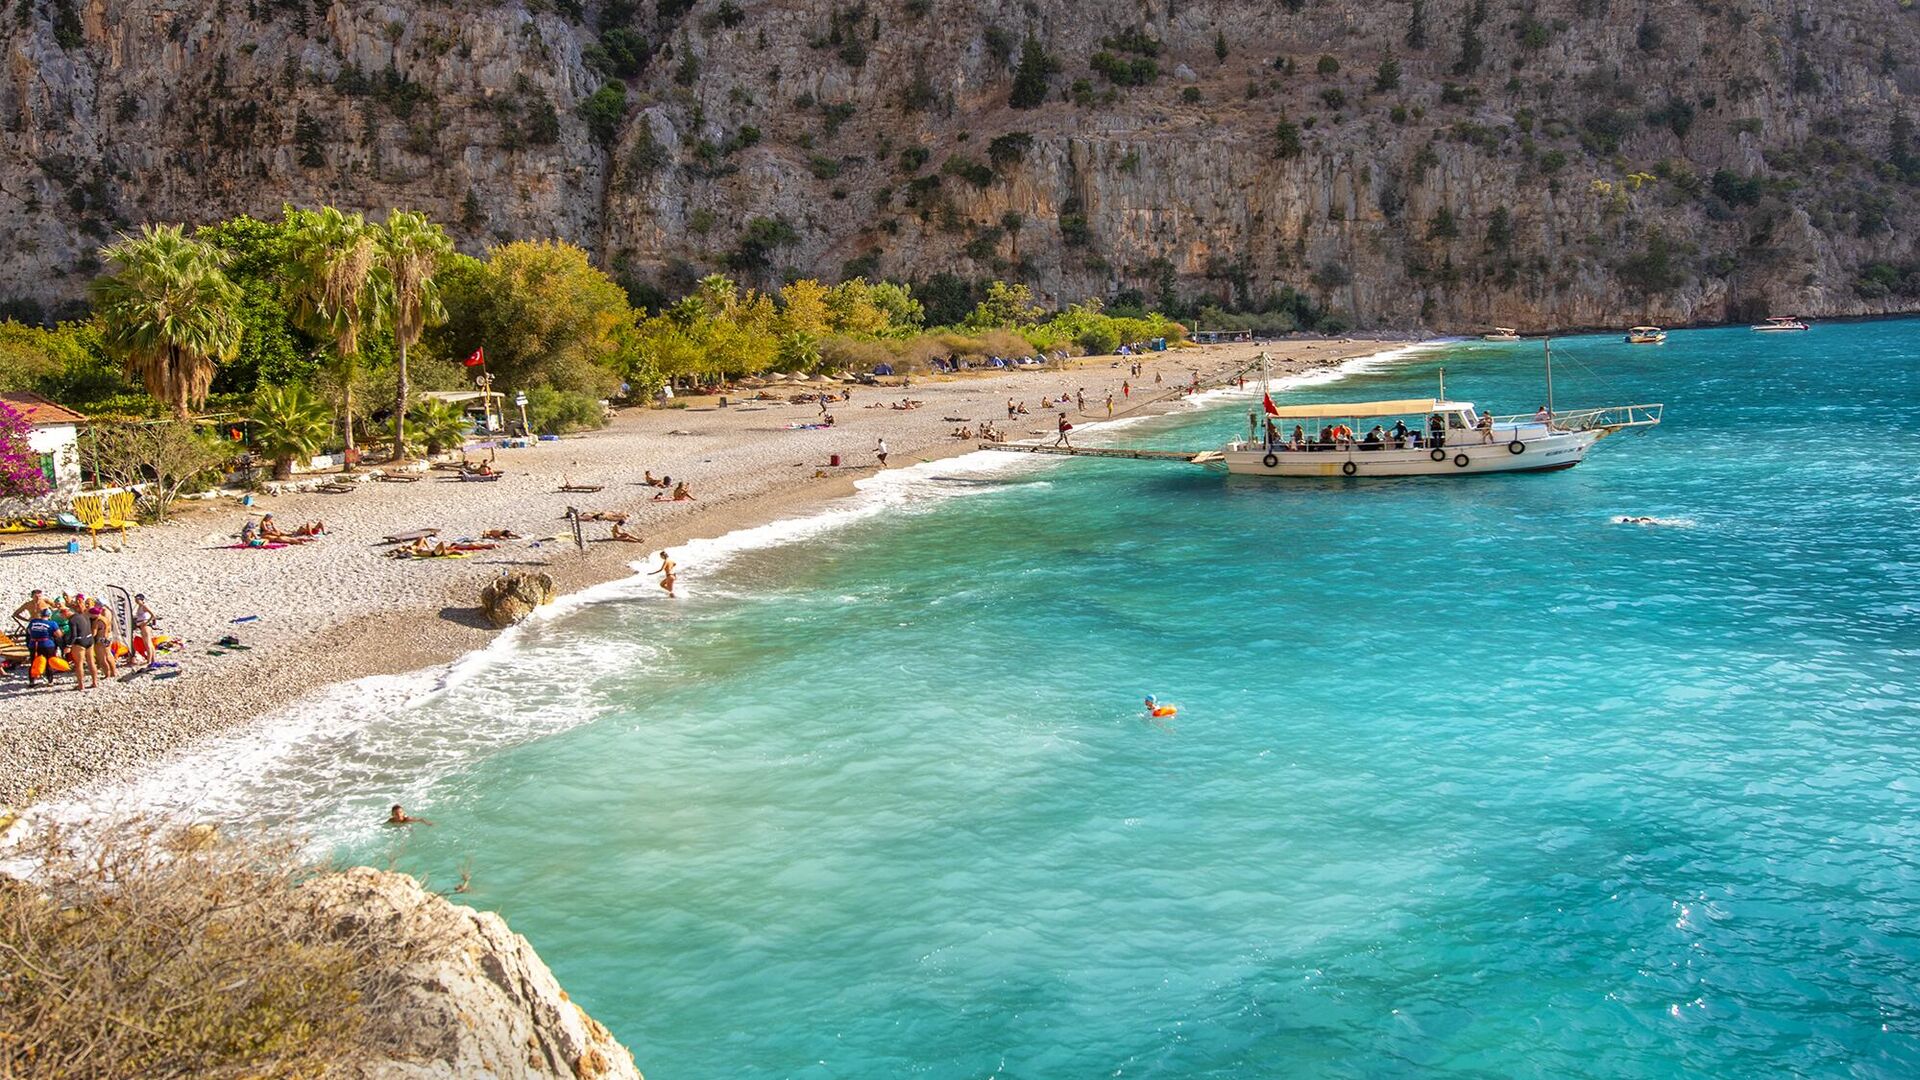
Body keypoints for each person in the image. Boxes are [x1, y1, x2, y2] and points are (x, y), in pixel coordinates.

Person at [63, 597, 98, 691]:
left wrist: (68, 646)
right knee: (91, 662)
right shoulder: (85, 615)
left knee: (79, 664)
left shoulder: (72, 620)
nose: (62, 617)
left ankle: (81, 685)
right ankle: (95, 682)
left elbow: (74, 635)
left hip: (80, 642)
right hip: (89, 639)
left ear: (67, 612)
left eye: (62, 614)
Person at [24, 611, 59, 687]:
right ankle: (50, 681)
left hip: (34, 644)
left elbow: (29, 631)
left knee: (33, 662)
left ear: (41, 614)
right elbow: (58, 634)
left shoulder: (33, 622)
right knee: (49, 662)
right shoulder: (52, 623)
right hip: (47, 644)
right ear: (49, 616)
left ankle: (31, 681)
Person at [89, 604, 116, 677]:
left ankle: (107, 674)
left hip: (100, 639)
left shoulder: (97, 621)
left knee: (102, 658)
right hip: (108, 638)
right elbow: (109, 629)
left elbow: (94, 633)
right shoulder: (105, 619)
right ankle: (114, 672)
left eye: (91, 614)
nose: (90, 616)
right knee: (109, 655)